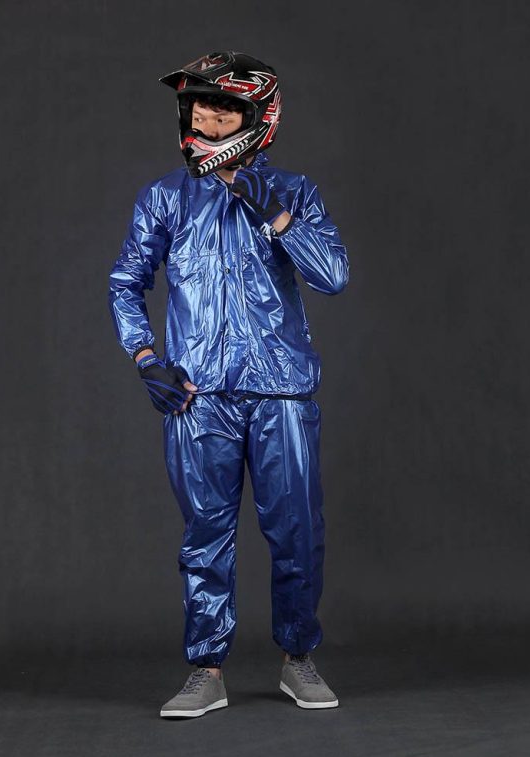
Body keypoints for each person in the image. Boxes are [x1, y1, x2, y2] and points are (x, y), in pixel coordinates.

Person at [108, 51, 349, 718]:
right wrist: (146, 357)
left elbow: (333, 275)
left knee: (297, 533)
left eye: (223, 110)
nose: (207, 121)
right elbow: (126, 282)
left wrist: (279, 218)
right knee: (204, 538)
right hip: (199, 396)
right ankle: (205, 670)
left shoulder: (294, 191)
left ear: (257, 118)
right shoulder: (164, 197)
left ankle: (298, 658)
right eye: (198, 108)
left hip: (282, 393)